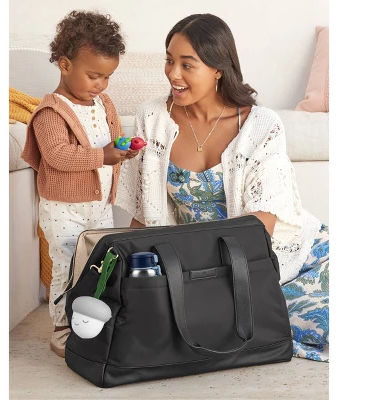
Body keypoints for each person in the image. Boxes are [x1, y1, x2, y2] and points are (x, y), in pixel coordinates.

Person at [115, 13, 329, 362]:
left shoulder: (261, 125)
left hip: (275, 260)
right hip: (196, 268)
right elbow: (144, 214)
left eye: (187, 65)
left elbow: (260, 229)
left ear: (218, 69)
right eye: (169, 61)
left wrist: (206, 281)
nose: (173, 74)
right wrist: (127, 275)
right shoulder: (152, 118)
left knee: (309, 322)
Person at [21, 10, 138, 358]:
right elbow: (58, 155)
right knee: (67, 263)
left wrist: (124, 148)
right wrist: (104, 156)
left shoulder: (104, 103)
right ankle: (62, 326)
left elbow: (112, 139)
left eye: (107, 77)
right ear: (65, 65)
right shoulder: (50, 112)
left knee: (99, 264)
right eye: (93, 75)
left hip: (99, 205)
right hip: (64, 208)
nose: (101, 84)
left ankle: (91, 322)